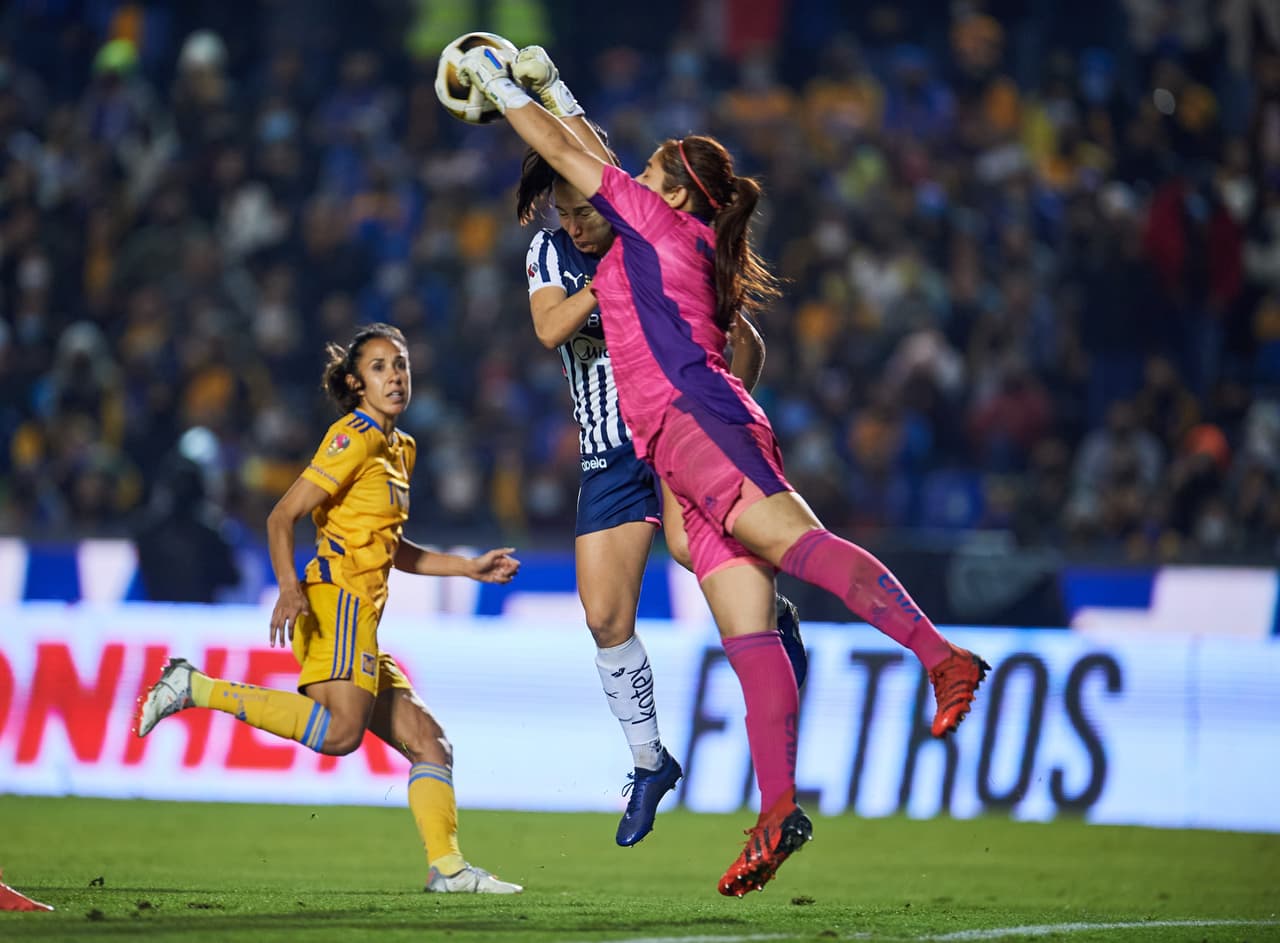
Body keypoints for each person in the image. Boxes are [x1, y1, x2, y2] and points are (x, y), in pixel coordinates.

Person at [457, 45, 992, 896]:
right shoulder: (665, 223)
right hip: (675, 444)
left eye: (653, 168)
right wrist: (554, 86)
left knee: (799, 545)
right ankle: (778, 809)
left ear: (670, 193)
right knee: (747, 636)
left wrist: (496, 89)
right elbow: (589, 153)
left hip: (701, 421)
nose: (632, 170)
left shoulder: (656, 225)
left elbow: (569, 156)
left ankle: (941, 655)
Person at [514, 89, 808, 848]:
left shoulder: (653, 241)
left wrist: (723, 399)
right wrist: (603, 283)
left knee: (693, 550)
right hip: (608, 452)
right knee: (605, 616)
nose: (577, 222)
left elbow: (748, 346)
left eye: (587, 208)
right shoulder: (557, 255)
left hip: (674, 435)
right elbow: (549, 329)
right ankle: (650, 761)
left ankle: (775, 620)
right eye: (567, 211)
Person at [136, 323, 523, 895]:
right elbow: (280, 516)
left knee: (430, 742)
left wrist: (466, 567)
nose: (394, 376)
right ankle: (194, 688)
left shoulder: (402, 449)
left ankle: (448, 869)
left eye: (401, 364)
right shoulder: (354, 436)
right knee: (343, 734)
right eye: (379, 367)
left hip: (363, 614)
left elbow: (394, 550)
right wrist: (290, 587)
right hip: (333, 600)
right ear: (356, 383)